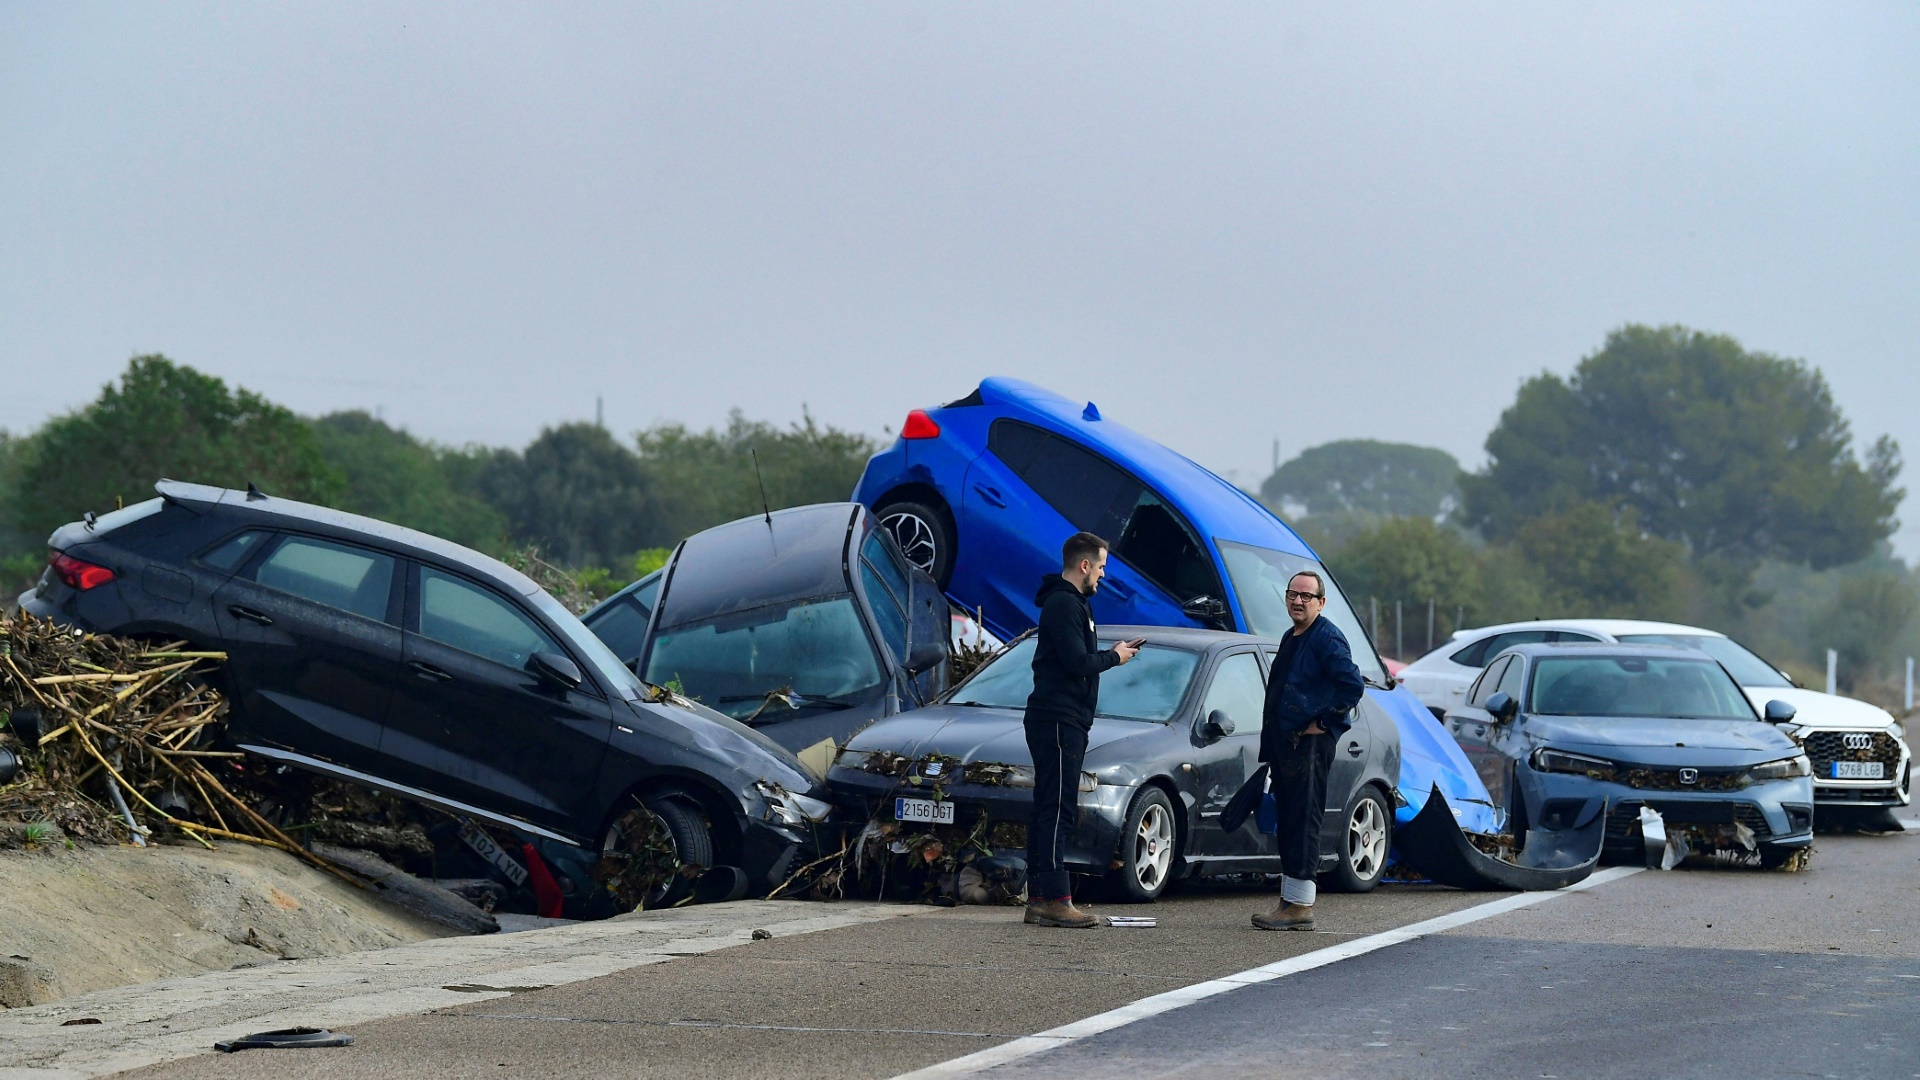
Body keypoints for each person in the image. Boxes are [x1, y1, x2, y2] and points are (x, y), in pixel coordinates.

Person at [1023, 531, 1139, 928]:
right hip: (1057, 718)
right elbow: (1077, 662)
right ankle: (1054, 897)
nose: (1103, 575)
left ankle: (1039, 895)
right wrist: (1116, 656)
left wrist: (1108, 653)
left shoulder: (1073, 604)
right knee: (1057, 807)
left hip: (1064, 719)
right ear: (1085, 565)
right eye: (1102, 566)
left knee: (1048, 806)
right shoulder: (1064, 604)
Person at [1252, 569, 1365, 931]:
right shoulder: (1292, 636)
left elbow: (1351, 685)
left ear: (1321, 602)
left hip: (1311, 746)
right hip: (1288, 747)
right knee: (1289, 820)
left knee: (1303, 821)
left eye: (1306, 596)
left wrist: (1326, 722)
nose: (1298, 601)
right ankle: (1289, 901)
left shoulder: (1327, 638)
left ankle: (1300, 907)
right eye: (1292, 594)